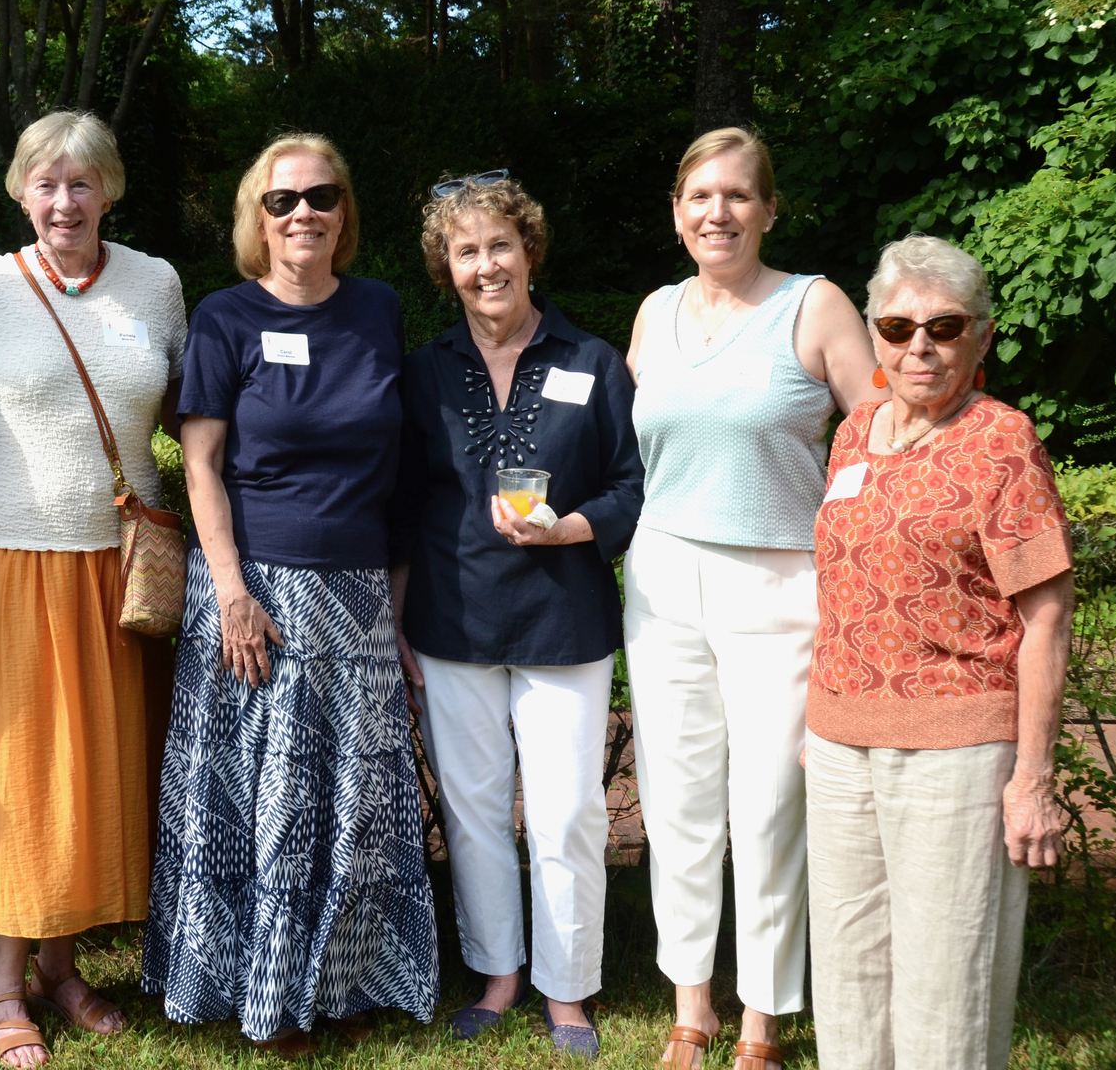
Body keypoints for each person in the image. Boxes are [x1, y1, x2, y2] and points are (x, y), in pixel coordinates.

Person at [140, 133, 439, 1054]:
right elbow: (200, 468)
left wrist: (392, 612)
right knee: (261, 799)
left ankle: (344, 976)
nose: (301, 212)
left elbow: (397, 475)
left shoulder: (378, 310)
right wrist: (229, 592)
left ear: (344, 211)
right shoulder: (226, 317)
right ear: (255, 219)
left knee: (354, 800)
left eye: (320, 196)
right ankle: (257, 989)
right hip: (257, 590)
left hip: (357, 595)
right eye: (281, 200)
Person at [621, 126, 887, 1070]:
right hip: (662, 580)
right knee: (680, 799)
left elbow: (879, 440)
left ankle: (763, 1017)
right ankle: (690, 1006)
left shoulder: (814, 307)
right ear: (678, 213)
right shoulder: (654, 314)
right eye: (700, 197)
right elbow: (636, 456)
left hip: (781, 582)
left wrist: (865, 562)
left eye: (737, 196)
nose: (717, 212)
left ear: (769, 210)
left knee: (770, 801)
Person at [0, 110, 186, 1069]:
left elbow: (195, 419)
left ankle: (61, 969)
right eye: (46, 183)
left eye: (81, 183)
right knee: (19, 772)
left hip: (120, 567)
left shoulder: (157, 285)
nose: (63, 201)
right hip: (12, 554)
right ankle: (3, 981)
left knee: (93, 771)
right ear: (21, 193)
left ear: (110, 190)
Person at [392, 173, 644, 1061]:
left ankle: (566, 986)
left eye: (500, 245)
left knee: (570, 808)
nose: (486, 265)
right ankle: (498, 971)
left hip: (562, 616)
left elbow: (631, 485)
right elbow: (405, 497)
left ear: (529, 251)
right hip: (452, 616)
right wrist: (395, 610)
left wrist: (576, 527)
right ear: (445, 268)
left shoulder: (591, 361)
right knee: (471, 805)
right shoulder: (425, 371)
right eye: (466, 252)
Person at [806, 234, 1072, 1070]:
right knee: (848, 971)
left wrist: (1032, 777)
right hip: (841, 743)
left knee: (946, 978)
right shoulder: (851, 433)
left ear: (981, 337)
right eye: (897, 327)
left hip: (959, 746)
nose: (918, 345)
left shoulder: (1002, 441)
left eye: (944, 326)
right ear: (877, 339)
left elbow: (1048, 615)